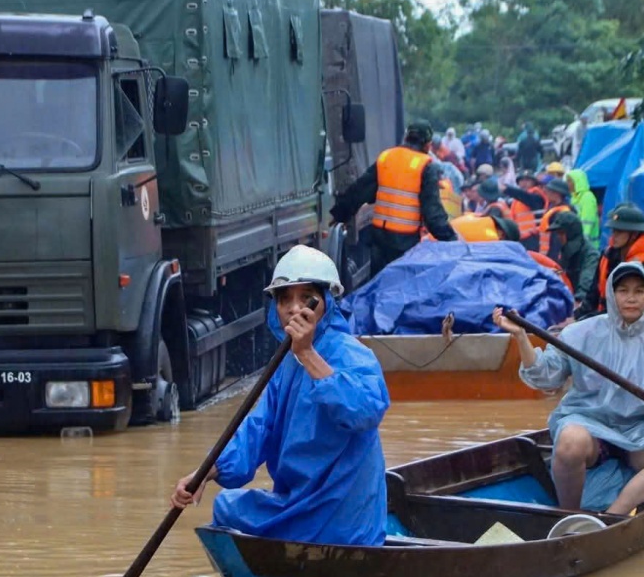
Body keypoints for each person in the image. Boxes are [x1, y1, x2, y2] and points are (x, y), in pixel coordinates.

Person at [171, 246, 390, 545]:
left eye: (305, 298)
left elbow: (364, 411)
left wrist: (308, 353)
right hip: (298, 504)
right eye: (285, 298)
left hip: (342, 513)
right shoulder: (285, 364)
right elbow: (258, 428)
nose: (293, 307)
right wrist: (206, 471)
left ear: (325, 301)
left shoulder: (353, 355)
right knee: (226, 506)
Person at [493, 262, 644, 515]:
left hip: (642, 431)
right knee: (570, 442)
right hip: (592, 424)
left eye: (639, 291)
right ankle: (569, 517)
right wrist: (521, 338)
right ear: (611, 294)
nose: (631, 298)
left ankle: (610, 519)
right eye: (623, 291)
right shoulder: (580, 333)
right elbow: (546, 378)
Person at [332, 119, 458, 277]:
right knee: (398, 288)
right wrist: (451, 240)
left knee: (378, 285)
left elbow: (360, 190)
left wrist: (338, 214)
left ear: (406, 138)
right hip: (404, 243)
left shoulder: (386, 157)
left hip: (379, 238)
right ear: (427, 144)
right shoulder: (425, 166)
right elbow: (432, 213)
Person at [577, 203, 644, 318]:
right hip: (605, 321)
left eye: (619, 232)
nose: (614, 236)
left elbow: (632, 310)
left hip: (633, 327)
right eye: (613, 231)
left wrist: (592, 320)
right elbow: (593, 293)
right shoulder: (608, 255)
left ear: (634, 235)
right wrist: (580, 316)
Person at [546, 208, 599, 307]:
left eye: (561, 233)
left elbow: (586, 284)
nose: (558, 237)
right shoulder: (566, 251)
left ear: (571, 233)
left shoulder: (591, 255)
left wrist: (577, 303)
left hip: (585, 308)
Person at [536, 178, 573, 255]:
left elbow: (559, 238)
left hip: (555, 253)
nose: (546, 193)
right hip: (547, 252)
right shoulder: (552, 208)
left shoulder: (564, 212)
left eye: (549, 191)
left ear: (557, 193)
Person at [568, 169, 600, 246]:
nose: (567, 184)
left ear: (577, 182)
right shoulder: (574, 198)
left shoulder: (587, 197)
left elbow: (587, 221)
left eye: (569, 181)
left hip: (588, 245)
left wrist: (582, 242)